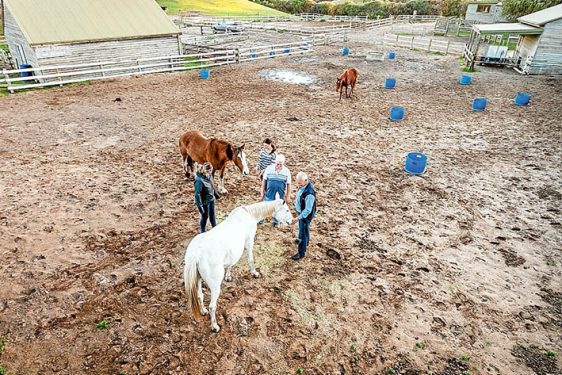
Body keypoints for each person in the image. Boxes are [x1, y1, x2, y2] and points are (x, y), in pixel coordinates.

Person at [291, 172, 316, 261]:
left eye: (300, 183)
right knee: (305, 229)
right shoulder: (304, 186)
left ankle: (301, 253)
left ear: (306, 181)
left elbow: (307, 210)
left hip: (305, 216)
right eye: (297, 183)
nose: (298, 185)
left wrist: (298, 218)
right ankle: (307, 241)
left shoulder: (309, 194)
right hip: (301, 212)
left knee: (302, 233)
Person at [260, 154, 291, 225]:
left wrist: (288, 196)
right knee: (265, 208)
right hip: (269, 193)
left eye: (281, 164)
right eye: (278, 164)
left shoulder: (287, 171)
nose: (279, 166)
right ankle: (260, 221)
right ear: (275, 162)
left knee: (279, 209)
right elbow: (264, 181)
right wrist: (262, 192)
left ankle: (276, 222)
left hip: (280, 195)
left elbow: (289, 185)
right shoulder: (269, 169)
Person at [194, 162, 221, 233]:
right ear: (207, 170)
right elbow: (197, 194)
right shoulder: (199, 180)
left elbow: (212, 185)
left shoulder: (209, 176)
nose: (211, 172)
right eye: (210, 170)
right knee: (205, 217)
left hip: (211, 199)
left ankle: (215, 229)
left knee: (212, 215)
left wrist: (216, 195)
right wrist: (200, 207)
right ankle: (202, 231)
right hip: (205, 202)